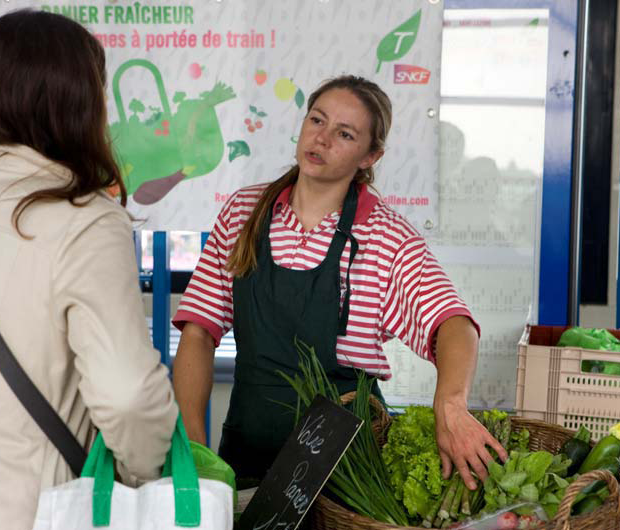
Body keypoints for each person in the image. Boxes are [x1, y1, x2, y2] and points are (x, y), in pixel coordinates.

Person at [0, 10, 177, 530]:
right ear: (82, 102)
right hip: (22, 510)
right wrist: (142, 477)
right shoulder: (87, 221)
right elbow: (128, 395)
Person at [172, 75, 507, 489]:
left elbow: (452, 324)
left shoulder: (386, 238)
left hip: (345, 474)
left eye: (345, 134)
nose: (322, 138)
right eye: (317, 120)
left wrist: (450, 403)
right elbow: (198, 331)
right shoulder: (243, 213)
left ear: (370, 156)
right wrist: (193, 448)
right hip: (247, 458)